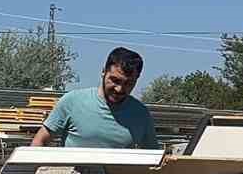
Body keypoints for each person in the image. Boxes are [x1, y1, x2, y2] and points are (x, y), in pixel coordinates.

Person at [30, 47, 159, 149]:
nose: (119, 89)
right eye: (114, 80)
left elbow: (155, 159)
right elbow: (40, 141)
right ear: (103, 72)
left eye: (128, 83)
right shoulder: (72, 102)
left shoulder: (141, 114)